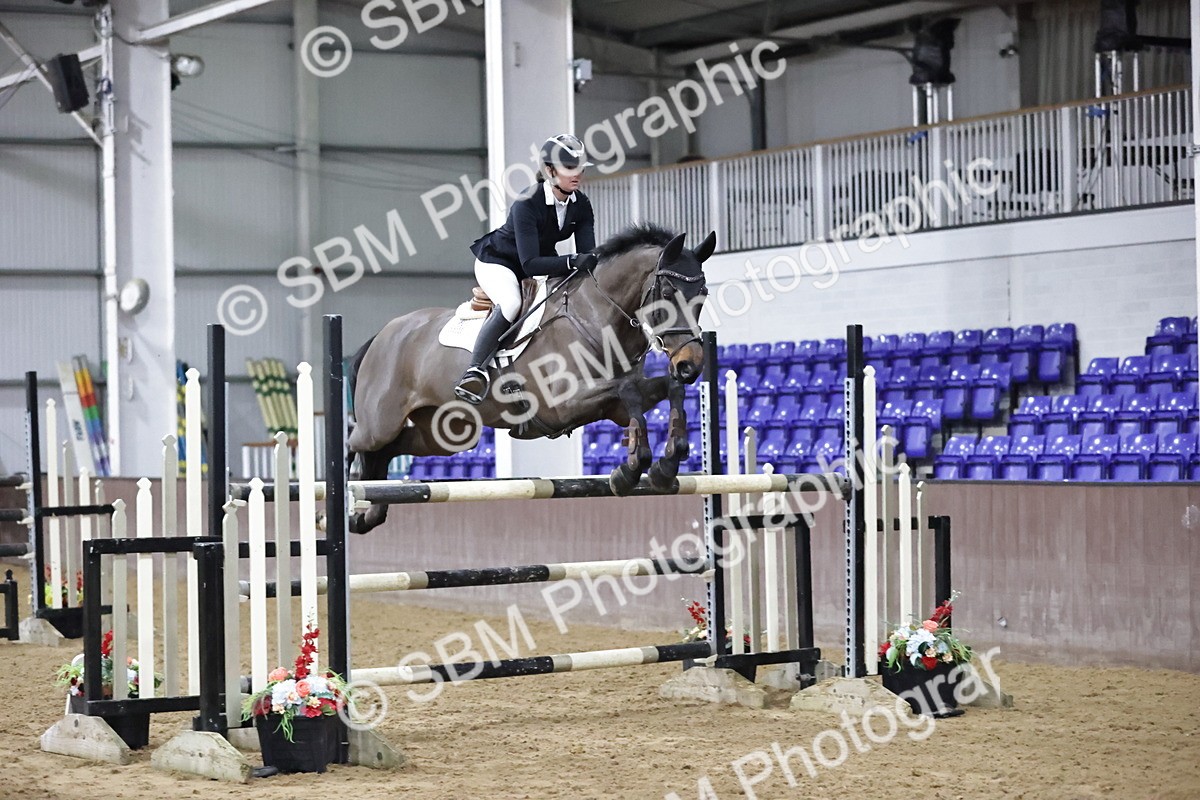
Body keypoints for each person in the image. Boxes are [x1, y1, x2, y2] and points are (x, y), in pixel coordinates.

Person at [453, 133, 600, 404]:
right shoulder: (527, 202)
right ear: (549, 171)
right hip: (499, 261)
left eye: (579, 168)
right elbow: (529, 263)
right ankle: (474, 371)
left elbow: (586, 255)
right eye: (570, 168)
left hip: (540, 260)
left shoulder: (581, 205)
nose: (576, 174)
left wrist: (590, 262)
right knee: (511, 303)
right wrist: (570, 262)